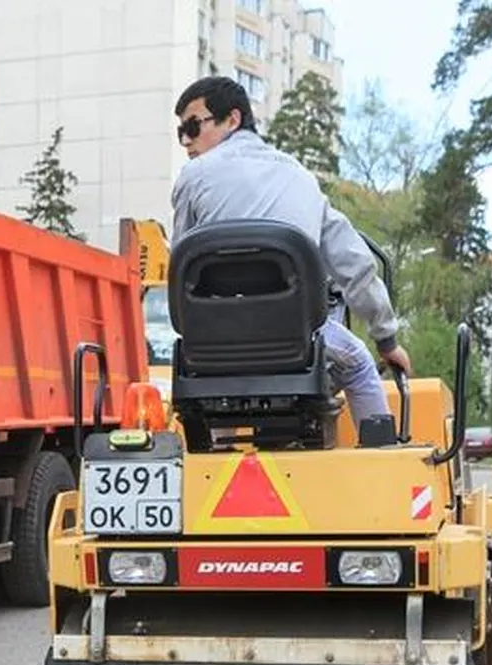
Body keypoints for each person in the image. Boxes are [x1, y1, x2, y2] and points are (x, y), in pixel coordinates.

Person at [167, 75, 412, 429]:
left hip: (211, 347)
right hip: (297, 342)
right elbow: (355, 265)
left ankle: (215, 458)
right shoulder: (301, 179)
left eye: (193, 126)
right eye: (181, 132)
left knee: (214, 392)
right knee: (359, 364)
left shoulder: (192, 177)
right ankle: (381, 456)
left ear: (232, 119)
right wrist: (386, 341)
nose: (186, 141)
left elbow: (181, 263)